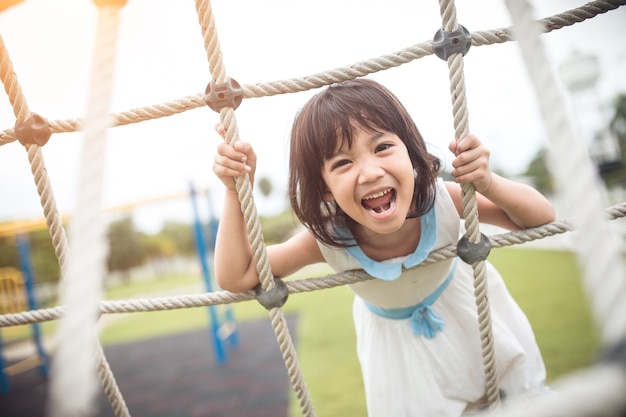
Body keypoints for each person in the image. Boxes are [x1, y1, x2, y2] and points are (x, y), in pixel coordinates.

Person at [212, 78, 555, 417]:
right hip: (400, 362)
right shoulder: (331, 238)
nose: (370, 172)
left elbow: (539, 218)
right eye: (342, 163)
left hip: (473, 324)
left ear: (409, 152)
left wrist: (488, 183)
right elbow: (236, 275)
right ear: (326, 189)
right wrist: (234, 192)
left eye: (382, 148)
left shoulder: (440, 199)